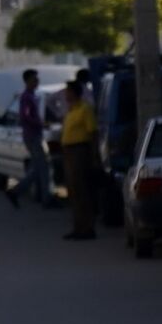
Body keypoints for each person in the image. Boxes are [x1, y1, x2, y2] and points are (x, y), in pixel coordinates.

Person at [6, 68, 59, 209]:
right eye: (34, 79)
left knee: (37, 168)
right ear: (28, 81)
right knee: (44, 168)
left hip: (34, 135)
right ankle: (47, 199)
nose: (37, 82)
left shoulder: (32, 96)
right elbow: (25, 116)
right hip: (33, 136)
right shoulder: (26, 97)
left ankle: (16, 192)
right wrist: (40, 123)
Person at [60, 80, 98, 240]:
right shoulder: (70, 111)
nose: (65, 95)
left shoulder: (85, 109)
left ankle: (87, 227)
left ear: (75, 93)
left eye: (68, 91)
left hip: (80, 151)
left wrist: (94, 157)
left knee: (82, 190)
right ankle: (78, 227)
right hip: (69, 152)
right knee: (73, 191)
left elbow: (92, 133)